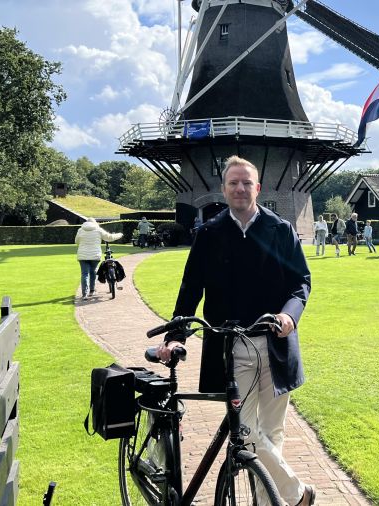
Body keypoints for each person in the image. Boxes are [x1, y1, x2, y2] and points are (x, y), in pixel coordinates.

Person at [155, 156, 316, 506]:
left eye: (247, 183)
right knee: (243, 431)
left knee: (271, 432)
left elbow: (300, 282)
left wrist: (289, 315)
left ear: (258, 188)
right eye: (233, 183)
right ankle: (296, 493)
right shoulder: (210, 233)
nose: (240, 189)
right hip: (232, 348)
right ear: (224, 189)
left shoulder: (280, 229)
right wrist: (176, 334)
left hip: (276, 344)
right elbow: (190, 289)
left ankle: (267, 502)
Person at [75, 218, 123, 299]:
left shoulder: (80, 230)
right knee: (93, 272)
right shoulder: (98, 230)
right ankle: (92, 291)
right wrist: (120, 234)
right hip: (95, 255)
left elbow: (77, 241)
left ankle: (84, 294)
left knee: (84, 274)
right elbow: (109, 237)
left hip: (82, 255)